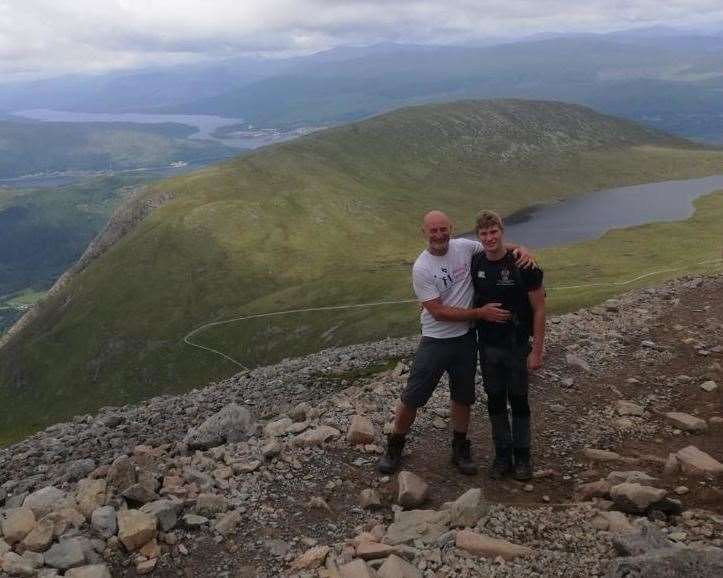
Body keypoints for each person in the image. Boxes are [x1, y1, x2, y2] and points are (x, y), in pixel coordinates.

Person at [377, 210, 532, 475]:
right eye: (432, 231)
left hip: (466, 340)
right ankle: (395, 445)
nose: (438, 235)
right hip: (435, 340)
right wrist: (480, 314)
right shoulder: (422, 267)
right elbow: (437, 311)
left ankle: (460, 448)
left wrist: (524, 249)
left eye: (442, 229)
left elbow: (494, 245)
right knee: (413, 396)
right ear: (423, 233)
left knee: (463, 397)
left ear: (451, 228)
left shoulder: (464, 247)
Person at [471, 210, 545, 481]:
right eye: (484, 233)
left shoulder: (524, 266)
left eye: (494, 232)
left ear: (502, 231)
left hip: (516, 346)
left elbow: (539, 309)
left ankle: (523, 456)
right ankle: (502, 455)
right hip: (488, 346)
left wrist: (536, 351)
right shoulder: (476, 261)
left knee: (519, 401)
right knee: (495, 400)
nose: (490, 238)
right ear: (478, 236)